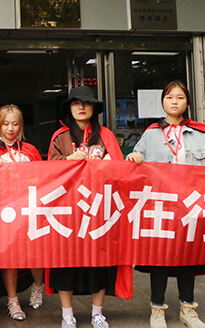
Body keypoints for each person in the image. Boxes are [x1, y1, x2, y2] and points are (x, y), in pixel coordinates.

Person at [127, 81, 205, 328]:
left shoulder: (201, 134)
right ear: (163, 101)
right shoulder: (150, 134)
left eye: (180, 97)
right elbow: (135, 162)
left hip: (192, 208)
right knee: (159, 258)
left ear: (187, 103)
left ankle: (187, 309)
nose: (174, 102)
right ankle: (157, 309)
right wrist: (134, 157)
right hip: (162, 207)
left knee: (188, 257)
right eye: (170, 97)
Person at [48, 86, 125, 328]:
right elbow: (47, 172)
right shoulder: (59, 136)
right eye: (75, 103)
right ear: (69, 108)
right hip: (67, 211)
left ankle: (97, 313)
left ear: (94, 108)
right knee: (65, 263)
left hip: (99, 209)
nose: (81, 107)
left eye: (86, 103)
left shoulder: (106, 136)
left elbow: (121, 170)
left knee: (99, 262)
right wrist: (66, 160)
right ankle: (67, 314)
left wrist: (109, 163)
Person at [0, 105, 43, 321]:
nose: (10, 128)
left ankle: (38, 287)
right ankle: (13, 301)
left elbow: (44, 179)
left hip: (29, 210)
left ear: (21, 126)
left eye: (15, 124)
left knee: (36, 255)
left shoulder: (31, 151)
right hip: (4, 213)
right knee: (9, 258)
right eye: (6, 124)